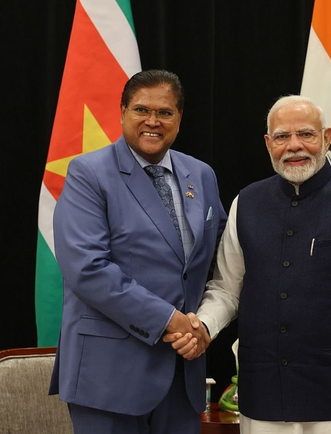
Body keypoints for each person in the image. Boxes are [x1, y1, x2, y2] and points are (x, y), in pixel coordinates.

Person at [165, 95, 331, 434]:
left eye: (306, 134)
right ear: (269, 144)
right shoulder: (246, 203)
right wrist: (203, 327)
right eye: (282, 136)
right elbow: (226, 290)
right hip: (263, 400)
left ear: (326, 138)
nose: (294, 145)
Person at [49, 69, 227, 434]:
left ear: (179, 118)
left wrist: (204, 324)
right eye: (141, 110)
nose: (152, 121)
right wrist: (170, 320)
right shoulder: (88, 173)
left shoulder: (201, 174)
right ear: (122, 113)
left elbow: (220, 260)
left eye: (165, 112)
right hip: (108, 378)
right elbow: (87, 269)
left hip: (183, 374)